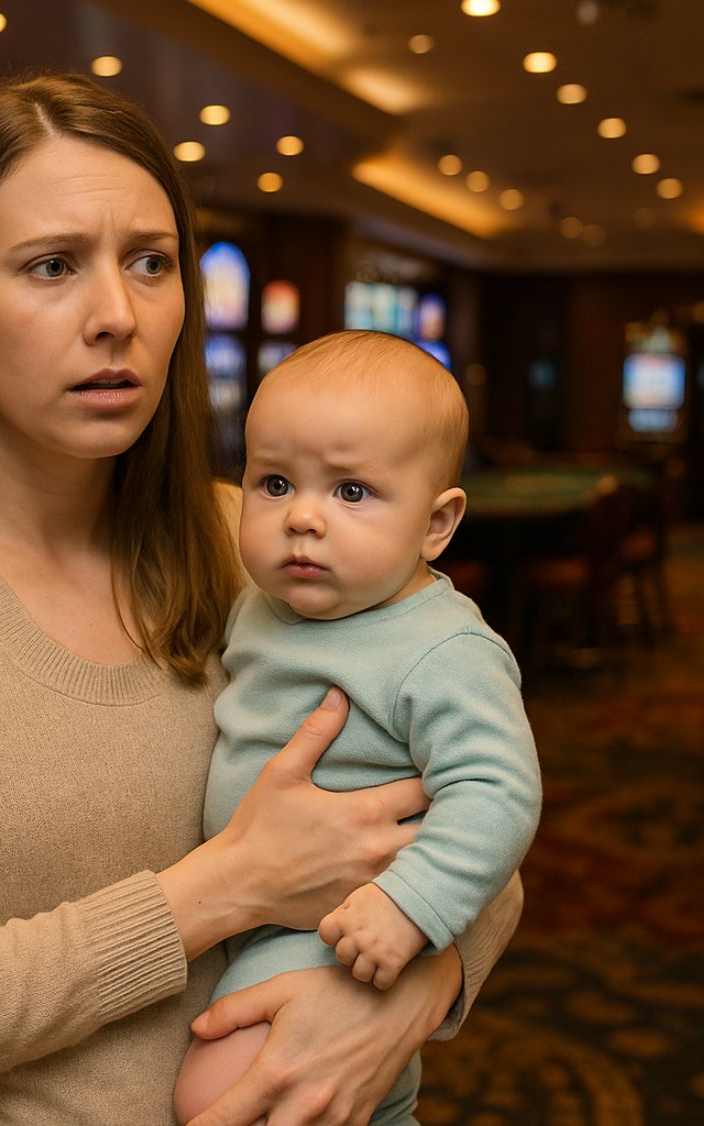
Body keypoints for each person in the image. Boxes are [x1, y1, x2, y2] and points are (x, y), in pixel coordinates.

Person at [0, 73, 524, 1126]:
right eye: (52, 266)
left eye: (150, 263)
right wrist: (224, 888)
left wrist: (410, 995)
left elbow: (482, 826)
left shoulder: (259, 538)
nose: (117, 315)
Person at [173, 333, 541, 1124]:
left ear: (436, 523)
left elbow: (497, 791)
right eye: (273, 483)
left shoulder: (442, 647)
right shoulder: (259, 604)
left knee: (220, 1098)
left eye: (350, 492)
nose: (302, 517)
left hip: (344, 923)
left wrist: (409, 907)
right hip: (253, 917)